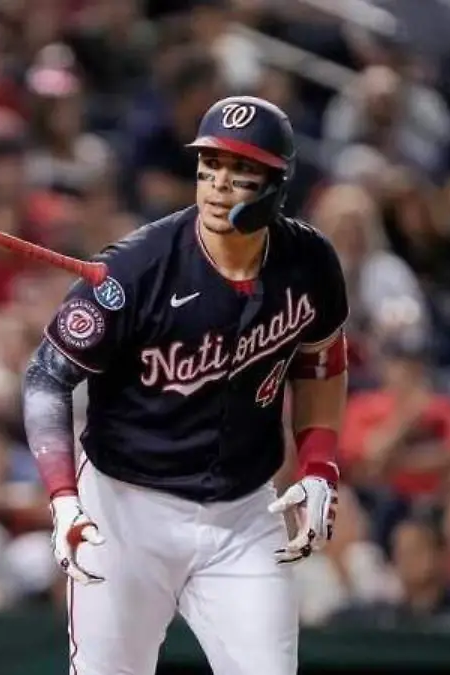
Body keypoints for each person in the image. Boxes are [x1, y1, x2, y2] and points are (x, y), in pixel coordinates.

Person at [21, 96, 349, 675]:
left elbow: (320, 356)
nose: (218, 185)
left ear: (275, 185)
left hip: (243, 511)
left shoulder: (310, 261)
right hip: (124, 510)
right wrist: (64, 497)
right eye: (209, 166)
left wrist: (319, 465)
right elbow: (47, 378)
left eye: (240, 171)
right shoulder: (136, 270)